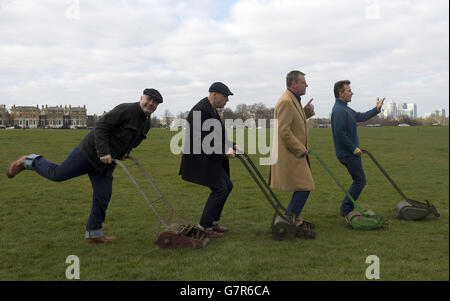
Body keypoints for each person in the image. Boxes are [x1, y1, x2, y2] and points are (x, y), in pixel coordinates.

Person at [5, 88, 163, 243]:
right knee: (58, 174)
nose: (151, 103)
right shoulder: (126, 109)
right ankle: (28, 161)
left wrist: (125, 153)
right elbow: (101, 126)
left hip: (105, 164)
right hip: (88, 154)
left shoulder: (146, 124)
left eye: (155, 102)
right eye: (149, 99)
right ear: (142, 98)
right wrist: (103, 151)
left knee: (103, 196)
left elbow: (132, 141)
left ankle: (94, 233)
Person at [179, 82, 238, 238]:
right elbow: (203, 140)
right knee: (220, 189)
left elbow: (217, 136)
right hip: (199, 160)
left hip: (210, 159)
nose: (227, 100)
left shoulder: (210, 109)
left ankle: (212, 223)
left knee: (227, 186)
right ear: (214, 94)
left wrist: (232, 145)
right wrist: (225, 150)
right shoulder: (199, 111)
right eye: (225, 96)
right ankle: (204, 227)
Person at [268, 70, 316, 238]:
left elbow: (295, 120)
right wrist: (300, 149)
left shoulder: (292, 100)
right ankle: (288, 219)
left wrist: (306, 113)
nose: (306, 85)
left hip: (294, 154)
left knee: (304, 186)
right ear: (293, 84)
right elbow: (284, 131)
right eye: (303, 82)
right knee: (305, 186)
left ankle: (290, 217)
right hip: (291, 154)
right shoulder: (286, 102)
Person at [331, 80, 385, 219]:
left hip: (351, 152)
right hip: (347, 153)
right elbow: (340, 133)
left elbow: (361, 116)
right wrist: (353, 148)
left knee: (359, 180)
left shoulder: (346, 109)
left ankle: (347, 207)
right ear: (340, 94)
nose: (352, 92)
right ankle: (346, 208)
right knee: (360, 180)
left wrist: (376, 109)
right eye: (348, 90)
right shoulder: (338, 110)